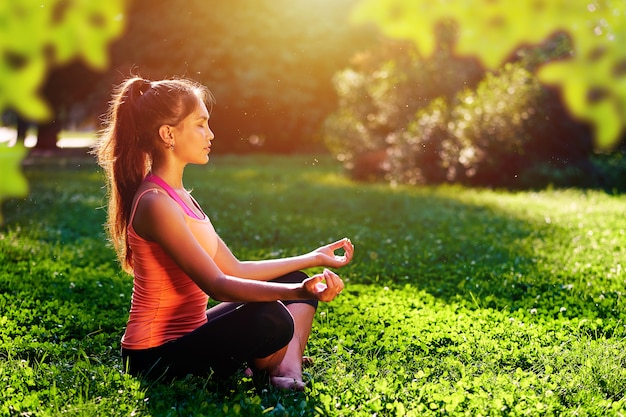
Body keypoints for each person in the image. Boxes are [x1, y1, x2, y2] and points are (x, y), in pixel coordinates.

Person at [93, 76, 354, 391]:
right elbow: (218, 285)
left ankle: (285, 366)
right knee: (272, 317)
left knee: (287, 279)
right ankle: (274, 367)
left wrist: (312, 259)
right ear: (168, 134)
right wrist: (301, 292)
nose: (211, 134)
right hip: (154, 359)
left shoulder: (181, 197)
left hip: (193, 334)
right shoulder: (155, 204)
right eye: (201, 124)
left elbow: (236, 270)